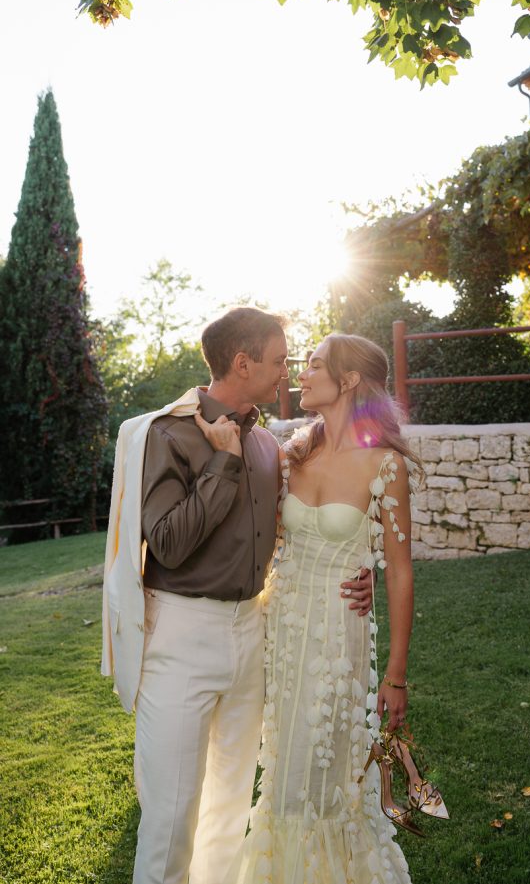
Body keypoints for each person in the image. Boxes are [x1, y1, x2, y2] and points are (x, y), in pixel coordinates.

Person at [101, 308, 373, 884]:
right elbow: (169, 544)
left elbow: (298, 527)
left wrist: (357, 567)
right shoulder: (165, 434)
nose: (287, 372)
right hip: (180, 636)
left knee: (228, 808)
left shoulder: (271, 446)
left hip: (252, 632)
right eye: (278, 361)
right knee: (172, 816)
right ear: (243, 363)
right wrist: (223, 461)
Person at [232, 333, 443, 884]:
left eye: (314, 366)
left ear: (348, 380)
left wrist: (395, 675)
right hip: (281, 630)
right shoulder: (292, 454)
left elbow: (400, 570)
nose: (301, 375)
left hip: (337, 635)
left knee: (325, 771)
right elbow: (267, 538)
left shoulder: (385, 465)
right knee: (282, 769)